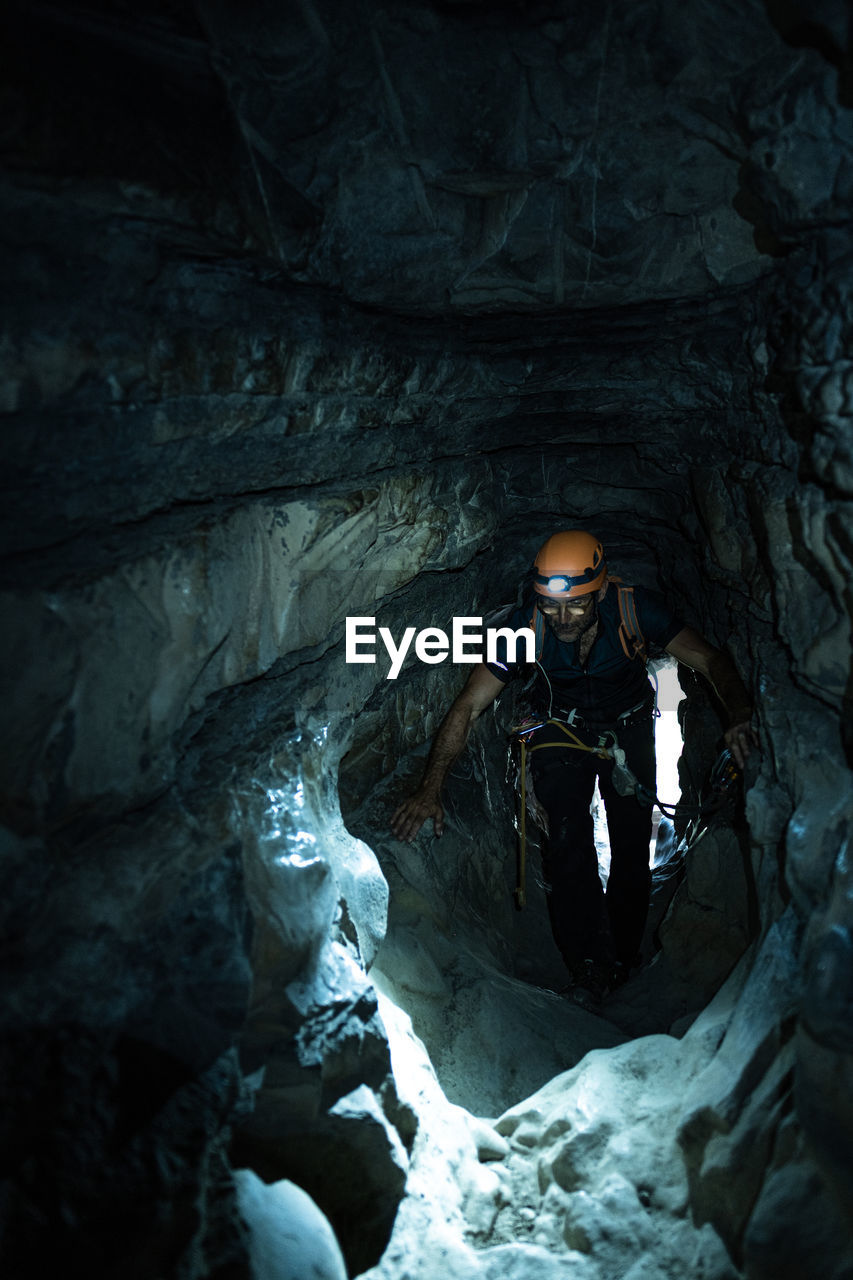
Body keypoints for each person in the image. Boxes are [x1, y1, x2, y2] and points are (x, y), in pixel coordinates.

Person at [390, 529, 757, 1009]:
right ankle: (587, 966)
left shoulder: (634, 609)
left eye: (576, 605)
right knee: (566, 840)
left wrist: (741, 717)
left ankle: (622, 958)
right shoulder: (524, 628)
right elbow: (469, 707)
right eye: (550, 605)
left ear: (601, 591)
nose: (562, 618)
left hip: (628, 729)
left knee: (630, 843)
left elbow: (711, 660)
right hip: (559, 732)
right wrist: (429, 789)